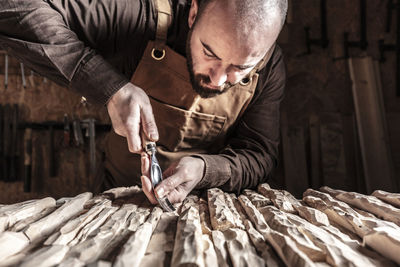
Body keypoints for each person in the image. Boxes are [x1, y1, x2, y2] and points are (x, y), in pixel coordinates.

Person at [0, 0, 287, 204]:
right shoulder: (140, 18)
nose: (219, 79)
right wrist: (110, 87)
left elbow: (258, 154)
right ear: (193, 14)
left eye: (241, 68)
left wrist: (205, 170)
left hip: (212, 212)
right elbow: (13, 5)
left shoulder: (270, 67)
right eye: (209, 53)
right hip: (120, 202)